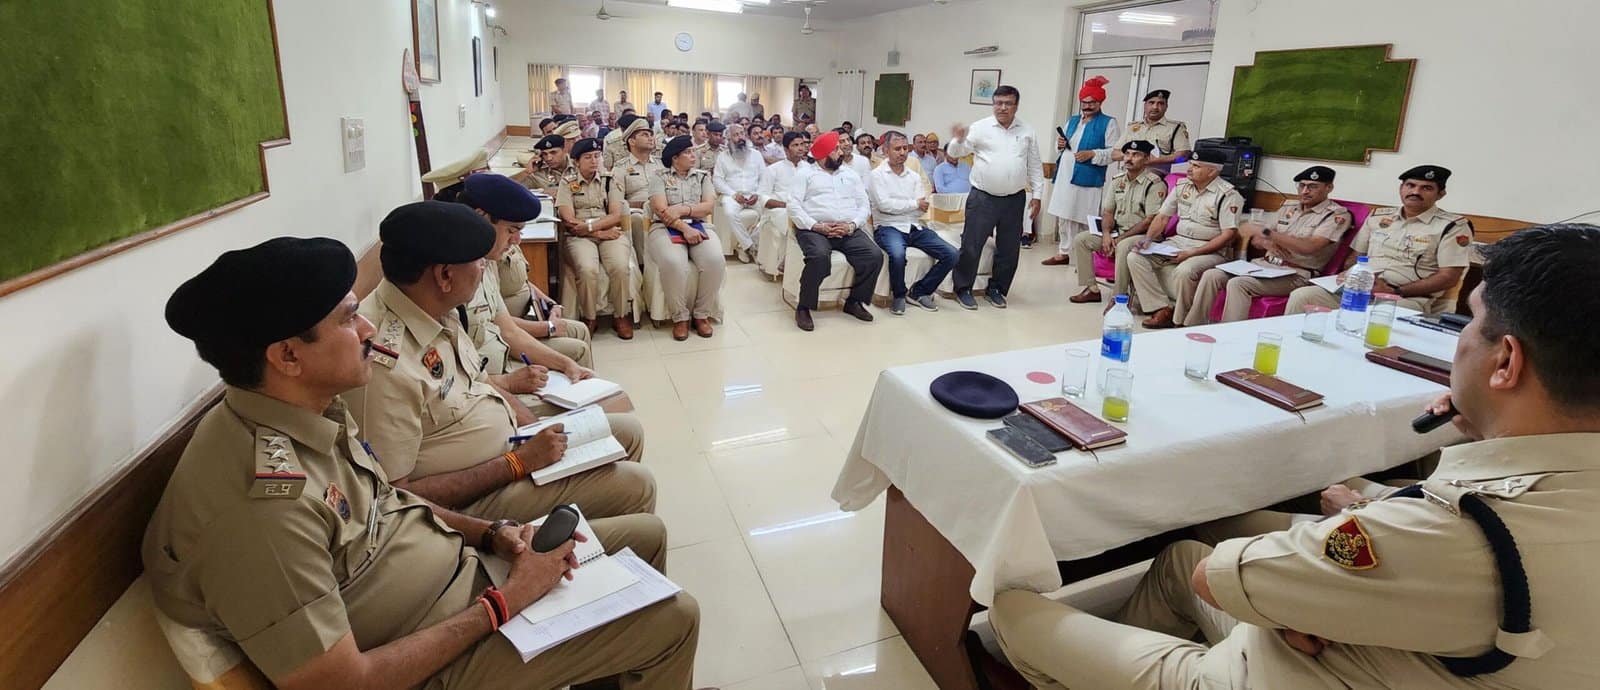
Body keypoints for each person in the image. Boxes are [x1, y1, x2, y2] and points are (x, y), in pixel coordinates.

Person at [992, 223, 1600, 689]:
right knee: (1177, 556)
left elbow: (1219, 579)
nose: (1462, 338)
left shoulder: (1456, 530)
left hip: (1281, 673)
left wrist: (1304, 599)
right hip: (1394, 651)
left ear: (1505, 361)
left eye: (1471, 321)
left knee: (1011, 608)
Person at [144, 236, 704, 690]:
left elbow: (390, 499)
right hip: (430, 654)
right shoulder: (260, 508)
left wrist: (493, 534)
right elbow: (341, 682)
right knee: (673, 619)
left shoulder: (310, 409)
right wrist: (506, 602)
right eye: (348, 320)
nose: (367, 329)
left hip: (461, 576)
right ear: (288, 355)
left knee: (644, 537)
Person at [351, 200, 647, 509]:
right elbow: (396, 498)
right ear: (445, 276)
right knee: (636, 485)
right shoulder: (381, 363)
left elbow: (483, 384)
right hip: (472, 496)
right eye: (478, 261)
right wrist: (518, 463)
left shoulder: (436, 308)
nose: (485, 268)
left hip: (509, 445)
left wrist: (534, 428)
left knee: (628, 433)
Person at [453, 176, 606, 388]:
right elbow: (454, 380)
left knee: (581, 377)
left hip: (502, 366)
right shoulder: (454, 277)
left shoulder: (485, 262)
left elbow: (508, 330)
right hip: (489, 385)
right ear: (480, 219)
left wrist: (566, 365)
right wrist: (508, 383)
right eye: (511, 230)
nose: (517, 240)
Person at [1287, 165, 1472, 316]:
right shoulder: (1378, 217)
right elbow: (1355, 256)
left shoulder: (1452, 226)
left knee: (1384, 314)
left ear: (1440, 194)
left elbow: (1448, 277)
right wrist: (1348, 274)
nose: (1415, 192)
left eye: (1426, 188)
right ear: (1401, 188)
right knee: (1303, 295)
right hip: (1360, 288)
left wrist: (1395, 291)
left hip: (1405, 297)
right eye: (1410, 185)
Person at [1187, 165, 1353, 324]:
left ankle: (1229, 334)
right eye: (1302, 185)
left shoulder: (1336, 215)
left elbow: (1309, 247)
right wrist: (1267, 243)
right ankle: (1192, 326)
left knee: (1239, 283)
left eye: (1312, 187)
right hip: (1265, 265)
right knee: (1212, 275)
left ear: (1329, 188)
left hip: (1297, 274)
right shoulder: (1289, 207)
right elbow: (1256, 240)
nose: (1304, 191)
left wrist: (1268, 234)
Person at [945, 84, 1044, 310]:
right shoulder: (980, 128)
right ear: (993, 104)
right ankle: (963, 288)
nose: (1003, 108)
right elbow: (954, 153)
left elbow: (1035, 165)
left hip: (1014, 199)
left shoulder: (1027, 131)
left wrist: (1037, 195)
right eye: (998, 103)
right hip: (983, 197)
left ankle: (997, 289)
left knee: (1009, 249)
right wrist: (958, 140)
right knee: (972, 245)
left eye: (1008, 103)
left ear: (1016, 106)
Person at [1124, 148, 1243, 328]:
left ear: (1212, 171)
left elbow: (1228, 235)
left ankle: (1180, 320)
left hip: (1210, 249)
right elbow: (1162, 218)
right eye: (1190, 164)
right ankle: (1161, 308)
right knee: (1136, 257)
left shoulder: (1228, 195)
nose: (1189, 169)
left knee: (1185, 270)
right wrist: (1147, 240)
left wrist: (1192, 253)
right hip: (1179, 241)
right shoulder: (1182, 186)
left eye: (1196, 166)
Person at [787, 131, 882, 331]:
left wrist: (852, 225)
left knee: (874, 255)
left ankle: (854, 302)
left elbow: (864, 205)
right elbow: (793, 206)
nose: (841, 152)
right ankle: (804, 306)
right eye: (836, 149)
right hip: (815, 229)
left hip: (847, 228)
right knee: (819, 257)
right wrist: (816, 225)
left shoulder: (850, 174)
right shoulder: (805, 174)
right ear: (823, 154)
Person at [1068, 140, 1167, 305]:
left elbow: (1149, 220)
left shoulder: (1155, 184)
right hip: (1118, 232)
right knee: (1082, 239)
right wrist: (1107, 235)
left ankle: (1119, 297)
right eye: (1127, 154)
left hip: (1144, 236)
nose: (1129, 158)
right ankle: (1092, 289)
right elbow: (1108, 212)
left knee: (1123, 246)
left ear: (1147, 159)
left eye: (1136, 155)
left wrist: (1120, 239)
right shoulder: (1117, 181)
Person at [557, 138, 636, 340]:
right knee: (587, 269)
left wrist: (591, 227)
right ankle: (589, 318)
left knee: (620, 266)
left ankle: (621, 316)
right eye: (588, 157)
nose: (594, 161)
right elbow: (569, 220)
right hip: (579, 236)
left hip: (610, 232)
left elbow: (616, 215)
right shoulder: (567, 183)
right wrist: (597, 233)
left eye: (597, 156)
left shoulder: (610, 180)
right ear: (576, 161)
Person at [871, 131, 957, 315]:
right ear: (885, 150)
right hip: (888, 227)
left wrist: (910, 205)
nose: (902, 152)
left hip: (914, 226)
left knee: (952, 254)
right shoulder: (877, 175)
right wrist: (913, 204)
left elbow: (922, 207)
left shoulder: (914, 176)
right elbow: (885, 206)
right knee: (897, 255)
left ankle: (919, 291)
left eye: (905, 148)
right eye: (897, 149)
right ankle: (899, 295)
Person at [648, 135, 724, 341]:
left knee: (715, 260)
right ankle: (680, 317)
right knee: (674, 262)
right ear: (675, 158)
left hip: (699, 225)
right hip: (664, 227)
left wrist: (683, 209)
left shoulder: (702, 177)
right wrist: (684, 228)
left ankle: (701, 314)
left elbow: (708, 206)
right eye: (688, 153)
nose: (693, 156)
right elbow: (661, 210)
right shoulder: (659, 177)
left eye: (693, 152)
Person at [1044, 75, 1122, 267]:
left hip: (1088, 176)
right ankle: (1063, 253)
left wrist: (1092, 154)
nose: (1087, 106)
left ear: (1100, 102)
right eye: (1084, 102)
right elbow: (1062, 145)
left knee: (1083, 218)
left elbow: (1115, 152)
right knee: (1063, 215)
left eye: (1092, 102)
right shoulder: (1073, 120)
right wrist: (1059, 144)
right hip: (1065, 175)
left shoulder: (1109, 123)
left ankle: (1084, 258)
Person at [755, 131, 813, 276]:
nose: (800, 148)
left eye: (802, 144)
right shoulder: (773, 169)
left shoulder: (810, 169)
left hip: (804, 209)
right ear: (786, 150)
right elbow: (762, 197)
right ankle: (786, 260)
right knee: (790, 218)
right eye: (795, 145)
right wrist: (787, 206)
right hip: (779, 210)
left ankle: (796, 261)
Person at [712, 120, 766, 263]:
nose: (740, 137)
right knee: (729, 212)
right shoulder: (723, 157)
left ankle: (745, 245)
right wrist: (733, 194)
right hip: (733, 195)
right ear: (729, 139)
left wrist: (757, 194)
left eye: (742, 133)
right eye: (736, 135)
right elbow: (717, 180)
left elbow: (764, 177)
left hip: (754, 194)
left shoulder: (756, 155)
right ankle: (750, 246)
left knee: (769, 214)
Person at [1113, 89, 1192, 176]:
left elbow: (1183, 156)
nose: (1155, 107)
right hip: (1129, 175)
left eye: (1160, 103)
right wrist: (1136, 157)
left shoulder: (1175, 128)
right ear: (1145, 105)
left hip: (1158, 177)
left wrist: (1156, 160)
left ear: (1166, 107)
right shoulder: (1132, 127)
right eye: (1151, 103)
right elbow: (1115, 154)